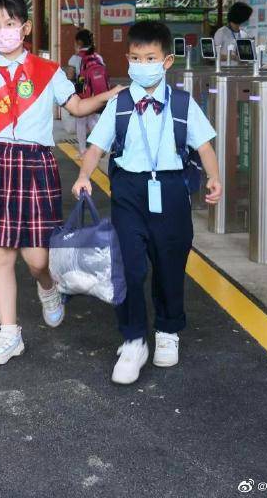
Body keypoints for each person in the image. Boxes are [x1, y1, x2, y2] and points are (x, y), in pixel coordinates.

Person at [0, 0, 123, 367]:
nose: (3, 32)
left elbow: (77, 106)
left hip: (35, 165)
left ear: (25, 28)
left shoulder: (47, 71)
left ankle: (47, 286)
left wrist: (108, 95)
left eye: (10, 24)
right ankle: (9, 333)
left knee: (37, 258)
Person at [72, 20, 222, 385]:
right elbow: (96, 146)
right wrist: (83, 176)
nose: (142, 64)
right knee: (130, 267)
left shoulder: (183, 103)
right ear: (128, 59)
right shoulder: (119, 103)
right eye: (136, 58)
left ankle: (168, 330)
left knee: (170, 263)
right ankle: (134, 338)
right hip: (128, 193)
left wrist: (214, 177)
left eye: (150, 57)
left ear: (166, 61)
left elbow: (203, 145)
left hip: (171, 191)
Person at [66, 29, 109, 158]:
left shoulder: (75, 58)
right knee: (94, 120)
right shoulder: (98, 57)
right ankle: (100, 147)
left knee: (81, 122)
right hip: (97, 94)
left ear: (78, 42)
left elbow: (70, 76)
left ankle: (83, 151)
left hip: (82, 96)